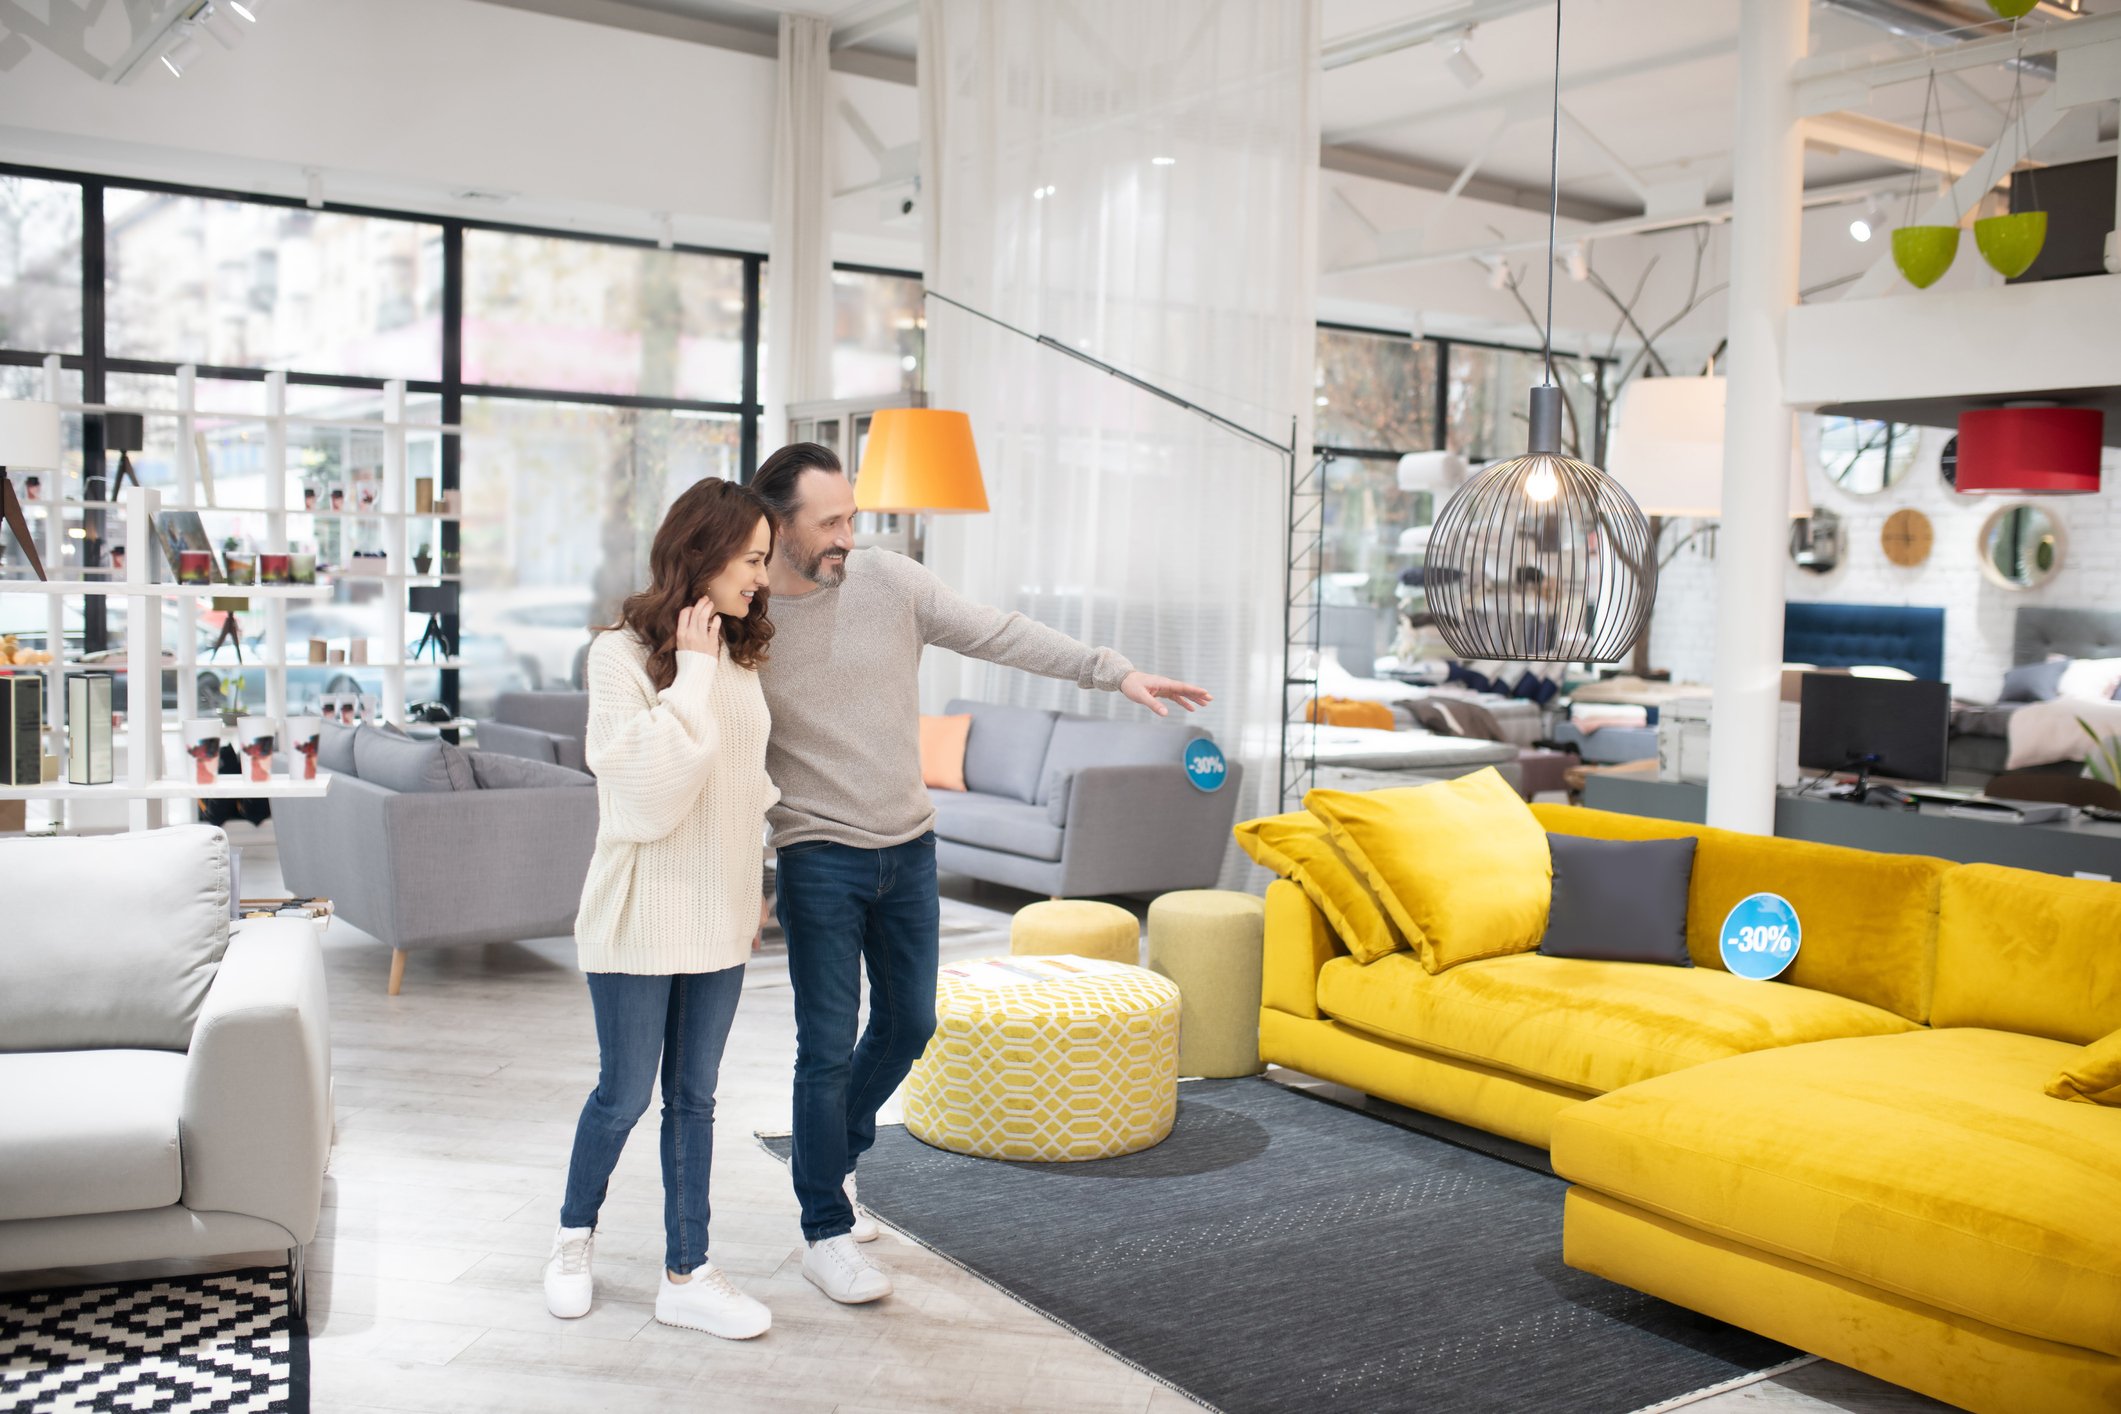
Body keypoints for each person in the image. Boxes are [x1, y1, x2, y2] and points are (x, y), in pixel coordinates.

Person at [752, 442, 1210, 1306]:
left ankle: (831, 1158)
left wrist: (1114, 671)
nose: (850, 534)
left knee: (909, 1024)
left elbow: (1002, 632)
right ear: (778, 525)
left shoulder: (889, 581)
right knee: (823, 1048)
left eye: (852, 515)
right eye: (832, 521)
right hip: (816, 852)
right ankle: (824, 1226)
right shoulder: (749, 616)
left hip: (908, 844)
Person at [542, 477, 780, 1341]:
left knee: (695, 1097)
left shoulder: (745, 652)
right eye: (750, 558)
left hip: (719, 907)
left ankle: (688, 1270)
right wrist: (692, 681)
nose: (760, 575)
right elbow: (644, 796)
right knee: (623, 1094)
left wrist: (755, 883)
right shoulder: (616, 653)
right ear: (703, 554)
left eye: (764, 559)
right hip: (639, 909)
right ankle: (573, 1238)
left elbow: (745, 783)